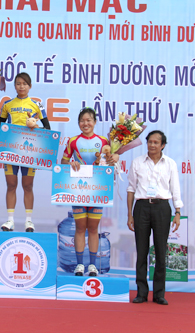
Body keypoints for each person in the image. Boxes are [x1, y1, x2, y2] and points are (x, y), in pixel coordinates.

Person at [127, 130, 182, 305]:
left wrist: (178, 212)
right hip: (141, 207)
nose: (152, 145)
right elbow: (131, 189)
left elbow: (175, 189)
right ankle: (141, 292)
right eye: (150, 142)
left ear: (163, 145)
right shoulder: (137, 162)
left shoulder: (170, 163)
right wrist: (129, 214)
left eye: (156, 142)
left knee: (160, 251)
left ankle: (159, 294)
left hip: (162, 208)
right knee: (141, 251)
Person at [61, 107, 117, 277]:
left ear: (94, 122)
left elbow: (110, 163)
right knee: (80, 228)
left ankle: (92, 265)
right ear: (79, 123)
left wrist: (114, 158)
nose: (85, 123)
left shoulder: (104, 141)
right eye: (82, 121)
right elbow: (63, 162)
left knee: (93, 228)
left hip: (97, 190)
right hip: (78, 190)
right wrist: (70, 163)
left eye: (89, 120)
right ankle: (79, 265)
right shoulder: (73, 141)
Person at [0, 72, 50, 232]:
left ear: (30, 86)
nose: (21, 86)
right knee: (11, 185)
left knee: (28, 185)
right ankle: (10, 220)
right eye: (18, 83)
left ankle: (29, 221)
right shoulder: (8, 104)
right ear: (15, 86)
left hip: (29, 151)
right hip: (11, 149)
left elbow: (47, 128)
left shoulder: (37, 104)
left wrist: (36, 127)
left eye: (24, 83)